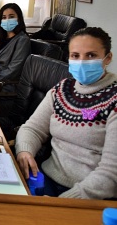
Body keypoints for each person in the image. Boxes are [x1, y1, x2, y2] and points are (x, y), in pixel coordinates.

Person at [16, 27, 117, 199]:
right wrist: (24, 151)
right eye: (75, 56)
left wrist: (62, 203)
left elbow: (110, 174)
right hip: (44, 179)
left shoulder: (113, 99)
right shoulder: (62, 89)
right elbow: (32, 129)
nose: (82, 61)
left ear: (107, 58)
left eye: (91, 55)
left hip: (89, 194)